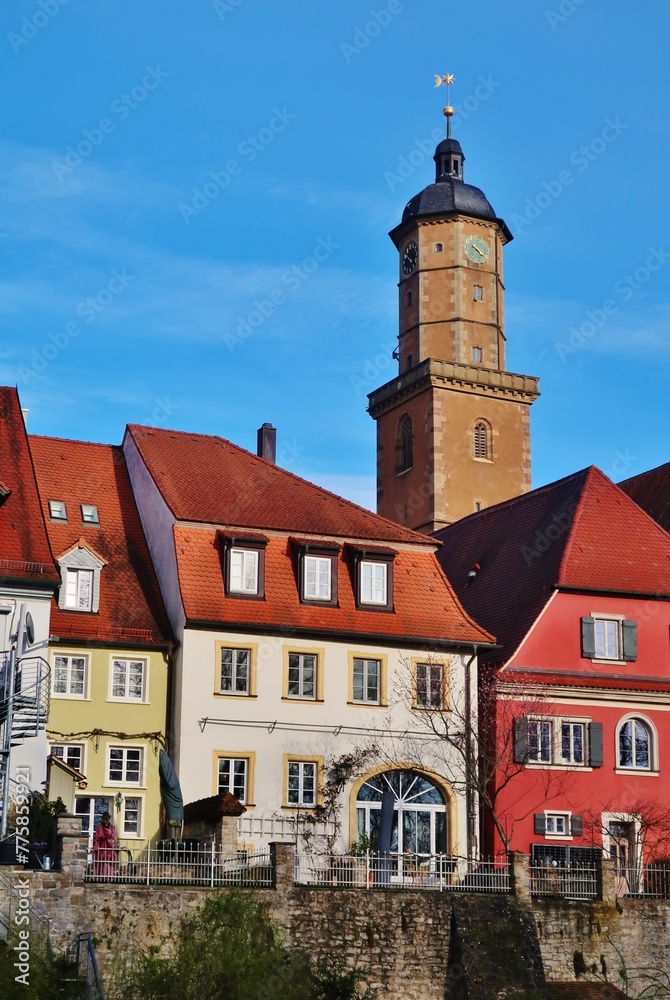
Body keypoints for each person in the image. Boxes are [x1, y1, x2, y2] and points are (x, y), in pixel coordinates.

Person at [92, 811, 117, 879]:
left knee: (110, 862)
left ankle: (110, 877)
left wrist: (112, 843)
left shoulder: (112, 827)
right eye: (105, 819)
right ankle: (102, 877)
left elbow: (114, 836)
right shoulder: (100, 827)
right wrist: (95, 847)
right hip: (103, 847)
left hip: (110, 848)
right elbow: (97, 837)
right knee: (103, 863)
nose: (106, 820)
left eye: (107, 819)